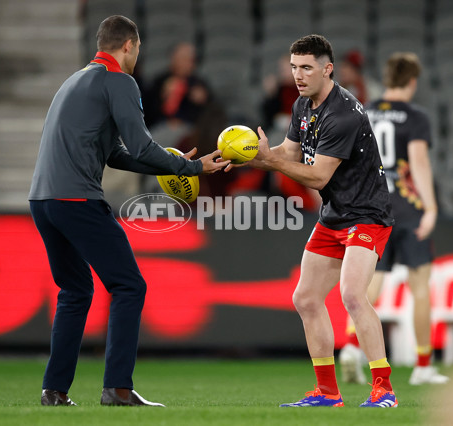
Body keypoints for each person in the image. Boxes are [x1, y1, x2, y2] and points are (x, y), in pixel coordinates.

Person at [28, 15, 229, 407]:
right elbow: (140, 145)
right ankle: (117, 388)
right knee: (129, 285)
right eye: (137, 49)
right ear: (130, 46)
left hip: (43, 201)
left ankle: (54, 390)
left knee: (74, 290)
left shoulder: (75, 80)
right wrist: (193, 167)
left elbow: (117, 153)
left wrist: (169, 161)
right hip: (77, 199)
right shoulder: (119, 80)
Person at [227, 34, 396, 408]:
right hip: (336, 215)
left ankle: (384, 390)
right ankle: (327, 392)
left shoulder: (343, 113)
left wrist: (271, 162)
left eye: (306, 67)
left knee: (352, 295)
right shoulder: (303, 105)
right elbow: (288, 152)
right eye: (293, 67)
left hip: (367, 215)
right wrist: (253, 156)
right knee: (305, 298)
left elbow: (317, 176)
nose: (298, 75)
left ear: (327, 68)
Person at [339, 52, 449, 386]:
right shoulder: (415, 116)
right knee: (419, 287)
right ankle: (423, 366)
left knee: (368, 286)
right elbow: (419, 164)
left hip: (371, 206)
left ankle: (350, 348)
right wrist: (430, 208)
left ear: (386, 78)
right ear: (413, 81)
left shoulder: (363, 111)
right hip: (407, 208)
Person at [144, 42, 210, 130]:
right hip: (161, 127)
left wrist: (202, 101)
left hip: (189, 130)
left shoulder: (199, 84)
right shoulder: (160, 81)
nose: (184, 63)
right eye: (181, 59)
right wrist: (163, 96)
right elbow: (147, 111)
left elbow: (210, 114)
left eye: (188, 59)